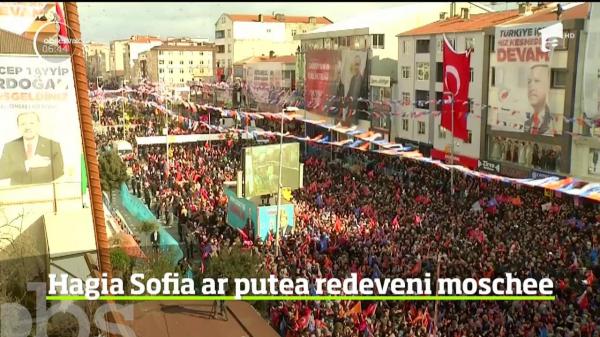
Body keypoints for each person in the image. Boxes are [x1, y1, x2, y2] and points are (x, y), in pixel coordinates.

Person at [0, 111, 64, 185]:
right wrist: (27, 164)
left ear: (38, 125)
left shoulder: (53, 145)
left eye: (31, 123)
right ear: (18, 127)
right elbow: (1, 172)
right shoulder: (10, 146)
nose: (27, 127)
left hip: (44, 192)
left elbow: (59, 172)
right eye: (23, 124)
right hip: (17, 193)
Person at [523, 65, 552, 135]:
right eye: (529, 82)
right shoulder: (526, 122)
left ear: (547, 86)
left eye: (537, 81)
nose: (531, 86)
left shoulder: (553, 120)